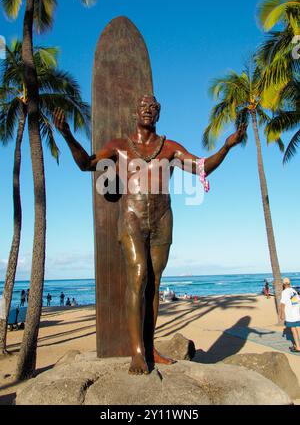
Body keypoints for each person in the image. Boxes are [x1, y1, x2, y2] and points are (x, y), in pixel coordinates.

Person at [54, 95, 246, 375]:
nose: (148, 110)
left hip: (162, 218)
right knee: (139, 276)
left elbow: (201, 167)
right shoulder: (119, 147)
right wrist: (68, 136)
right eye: (143, 107)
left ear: (158, 114)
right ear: (135, 113)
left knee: (154, 284)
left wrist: (227, 146)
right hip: (131, 215)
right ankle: (137, 353)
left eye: (153, 108)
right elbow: (86, 164)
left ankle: (150, 347)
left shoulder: (169, 147)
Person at [280, 277, 300, 352]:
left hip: (291, 314)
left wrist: (281, 314)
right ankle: (297, 345)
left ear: (283, 284)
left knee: (293, 329)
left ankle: (298, 347)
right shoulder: (294, 291)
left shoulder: (284, 292)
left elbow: (282, 304)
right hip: (296, 313)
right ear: (289, 283)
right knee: (296, 328)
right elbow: (298, 301)